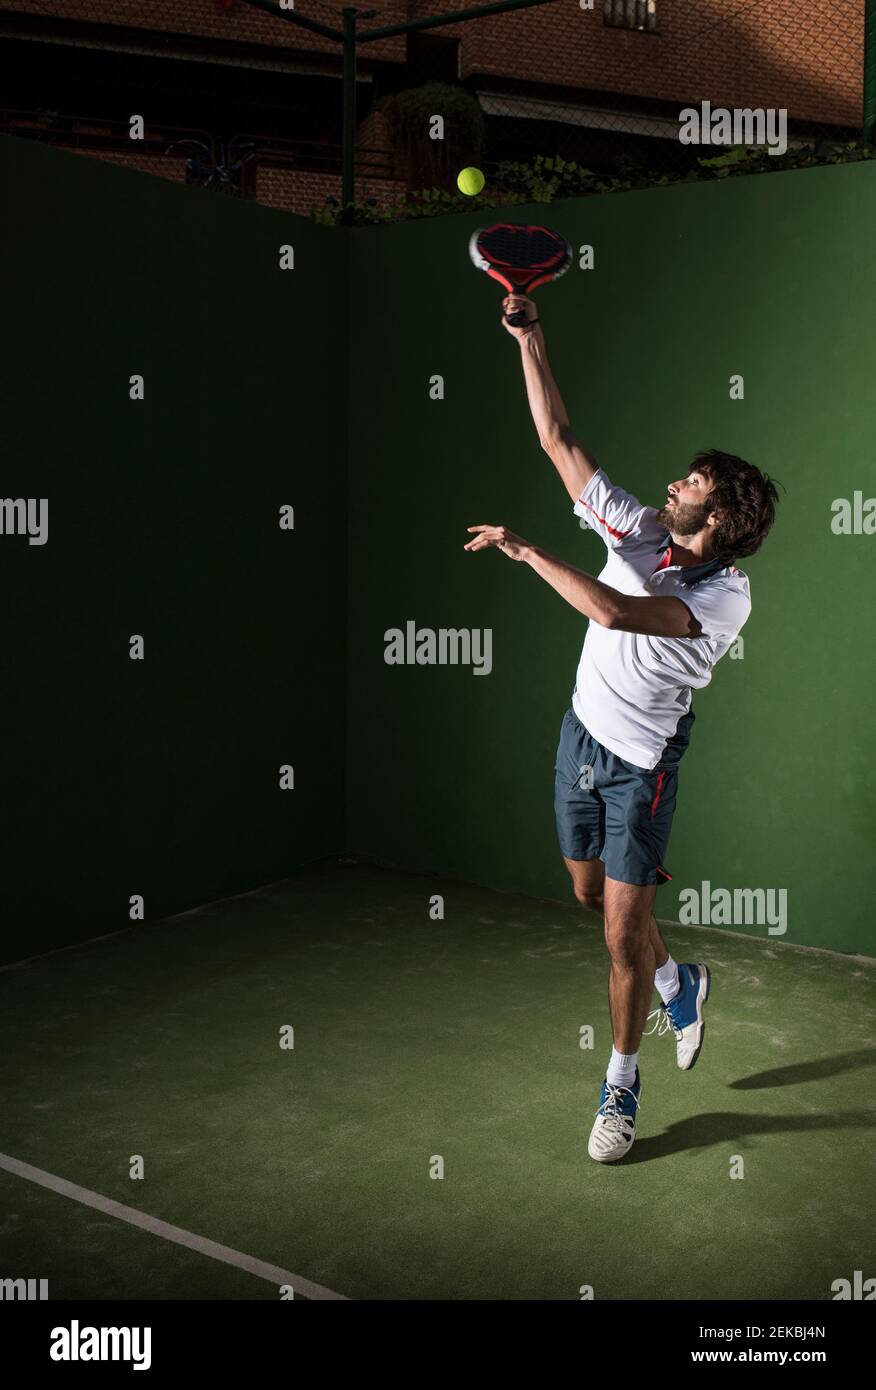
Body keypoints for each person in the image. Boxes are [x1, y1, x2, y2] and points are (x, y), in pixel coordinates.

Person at [464, 292, 779, 1163]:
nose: (673, 484)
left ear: (715, 521)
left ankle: (621, 1082)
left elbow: (608, 610)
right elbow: (558, 443)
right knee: (588, 896)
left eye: (692, 485)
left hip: (643, 765)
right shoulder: (640, 527)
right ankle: (681, 980)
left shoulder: (723, 597)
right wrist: (531, 339)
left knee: (616, 936)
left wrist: (528, 551)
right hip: (580, 736)